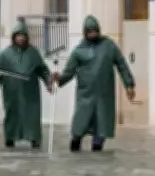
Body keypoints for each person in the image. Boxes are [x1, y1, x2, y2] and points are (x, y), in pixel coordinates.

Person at [53, 15, 135, 152]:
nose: (93, 34)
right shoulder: (78, 51)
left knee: (101, 123)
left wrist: (129, 84)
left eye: (95, 31)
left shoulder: (109, 46)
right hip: (85, 94)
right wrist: (58, 80)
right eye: (90, 31)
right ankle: (75, 143)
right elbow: (69, 72)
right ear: (85, 32)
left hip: (104, 94)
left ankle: (97, 147)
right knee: (80, 122)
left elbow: (122, 64)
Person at [0, 19, 52, 149]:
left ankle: (34, 138)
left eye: (24, 36)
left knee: (32, 115)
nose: (21, 38)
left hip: (31, 92)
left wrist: (49, 82)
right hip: (12, 92)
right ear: (14, 37)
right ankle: (10, 137)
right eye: (19, 36)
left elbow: (42, 70)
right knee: (12, 114)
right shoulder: (5, 54)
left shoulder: (33, 53)